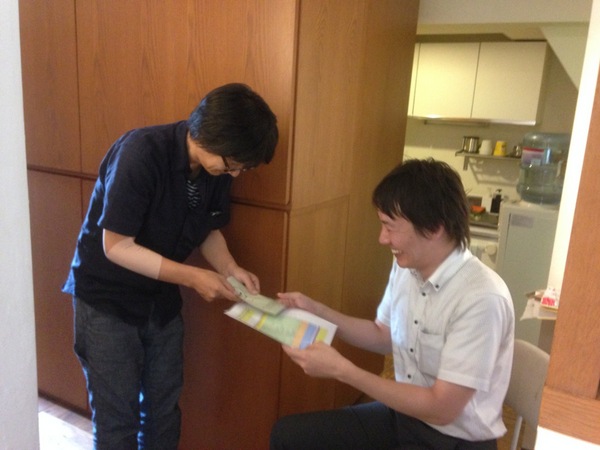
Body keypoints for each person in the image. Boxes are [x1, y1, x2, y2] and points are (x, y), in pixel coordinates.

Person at [62, 83, 278, 450]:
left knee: (163, 411)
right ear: (213, 136)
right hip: (106, 300)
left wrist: (230, 268)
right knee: (118, 422)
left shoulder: (215, 171)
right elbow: (116, 246)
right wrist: (193, 277)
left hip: (159, 299)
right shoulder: (141, 152)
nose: (236, 174)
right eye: (234, 164)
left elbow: (208, 227)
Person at [270, 159, 514, 450]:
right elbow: (383, 335)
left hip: (453, 439)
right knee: (289, 436)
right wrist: (318, 311)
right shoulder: (407, 268)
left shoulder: (481, 298)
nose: (382, 238)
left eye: (389, 226)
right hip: (405, 417)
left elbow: (441, 409)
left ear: (434, 227)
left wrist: (343, 370)